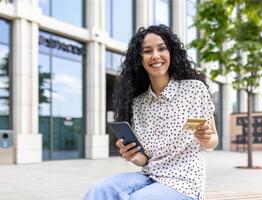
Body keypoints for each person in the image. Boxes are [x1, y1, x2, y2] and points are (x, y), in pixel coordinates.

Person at [83, 24, 218, 200]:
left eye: (161, 48)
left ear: (171, 53)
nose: (155, 56)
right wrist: (132, 155)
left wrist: (207, 139)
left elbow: (213, 140)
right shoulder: (138, 103)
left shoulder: (194, 89)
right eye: (147, 51)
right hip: (150, 176)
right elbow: (145, 159)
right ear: (140, 59)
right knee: (98, 189)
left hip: (185, 182)